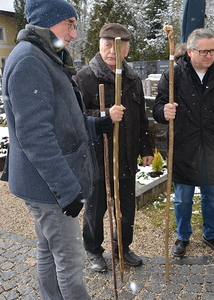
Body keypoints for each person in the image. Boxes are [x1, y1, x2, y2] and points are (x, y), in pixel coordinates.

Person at [0, 0, 112, 299]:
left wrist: (92, 125)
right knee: (70, 262)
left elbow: (59, 118)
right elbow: (35, 135)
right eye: (70, 24)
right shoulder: (30, 60)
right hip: (50, 187)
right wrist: (66, 190)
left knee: (49, 253)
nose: (74, 34)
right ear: (48, 21)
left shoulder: (45, 56)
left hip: (47, 184)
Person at [74, 23, 153, 272]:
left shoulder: (132, 79)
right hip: (97, 158)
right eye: (107, 45)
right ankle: (94, 250)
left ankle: (123, 247)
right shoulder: (84, 77)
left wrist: (147, 149)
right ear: (100, 46)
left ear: (126, 49)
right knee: (96, 209)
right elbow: (75, 118)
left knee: (125, 208)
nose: (111, 51)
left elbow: (141, 118)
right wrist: (105, 113)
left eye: (117, 46)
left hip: (127, 157)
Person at [153, 28, 214, 257]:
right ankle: (182, 236)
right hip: (184, 146)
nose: (209, 55)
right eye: (203, 51)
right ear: (190, 52)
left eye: (212, 50)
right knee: (183, 198)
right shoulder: (174, 75)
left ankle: (211, 234)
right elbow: (158, 107)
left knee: (212, 196)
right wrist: (164, 112)